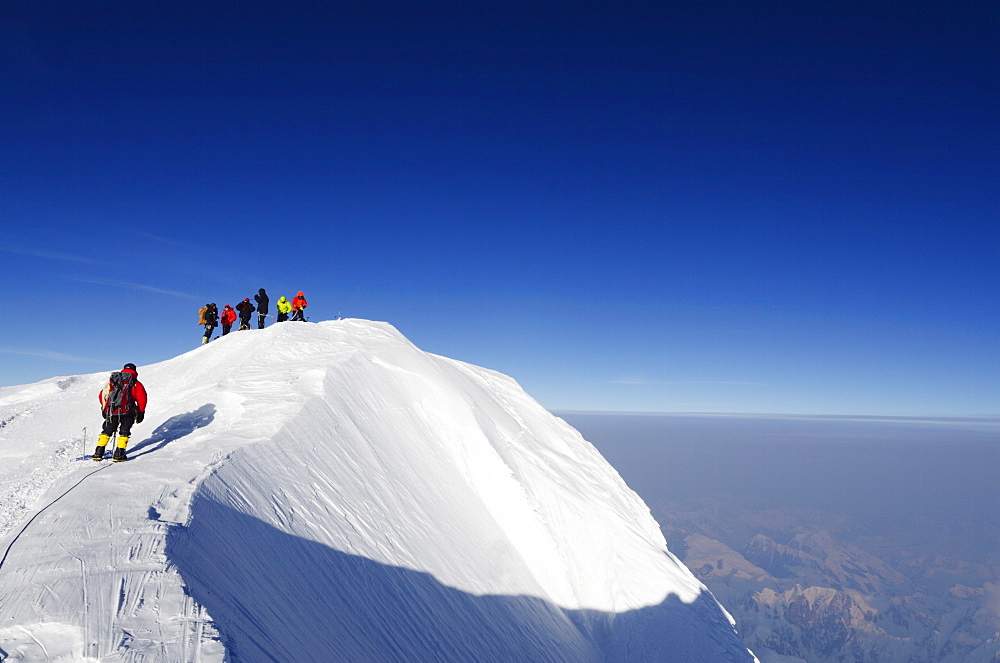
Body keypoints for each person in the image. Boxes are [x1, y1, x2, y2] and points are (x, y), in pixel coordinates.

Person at [93, 363, 148, 462]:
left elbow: (103, 395)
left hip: (112, 411)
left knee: (107, 431)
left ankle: (98, 453)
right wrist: (141, 412)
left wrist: (105, 408)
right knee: (124, 432)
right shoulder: (135, 384)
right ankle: (119, 454)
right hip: (128, 412)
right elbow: (142, 399)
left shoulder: (113, 381)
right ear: (135, 371)